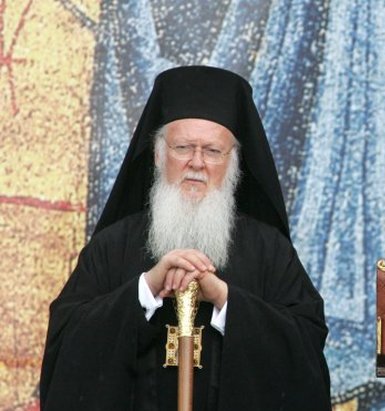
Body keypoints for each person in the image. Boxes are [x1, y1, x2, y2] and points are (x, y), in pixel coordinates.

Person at [40, 66, 331, 410]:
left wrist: (224, 299)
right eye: (182, 147)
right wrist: (146, 290)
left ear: (233, 162)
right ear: (159, 154)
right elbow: (66, 344)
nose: (197, 163)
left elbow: (306, 348)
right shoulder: (113, 245)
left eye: (212, 151)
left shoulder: (269, 250)